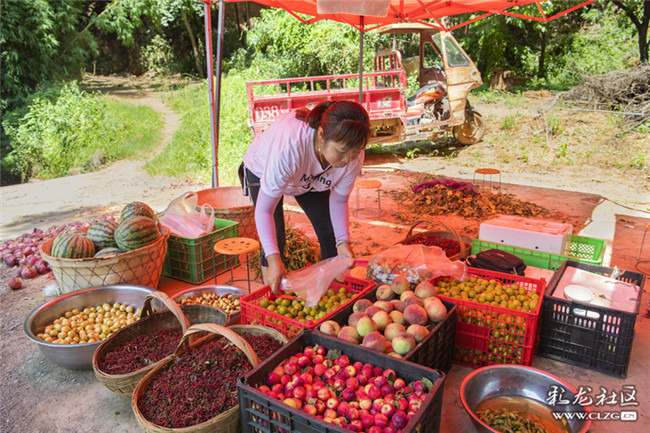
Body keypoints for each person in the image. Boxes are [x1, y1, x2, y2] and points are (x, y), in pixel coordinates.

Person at [241, 100, 371, 293]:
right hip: (262, 169)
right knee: (275, 240)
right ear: (321, 136)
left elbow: (339, 200)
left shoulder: (353, 157)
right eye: (342, 152)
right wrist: (273, 258)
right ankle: (271, 297)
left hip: (307, 179)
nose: (347, 161)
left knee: (330, 234)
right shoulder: (290, 148)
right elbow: (264, 210)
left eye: (354, 153)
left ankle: (333, 293)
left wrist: (343, 241)